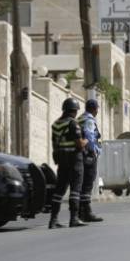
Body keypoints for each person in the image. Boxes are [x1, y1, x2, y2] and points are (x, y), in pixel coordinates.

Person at [49, 98, 88, 229]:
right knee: (76, 189)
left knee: (59, 189)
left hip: (62, 159)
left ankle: (53, 220)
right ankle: (74, 218)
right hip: (74, 159)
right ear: (74, 111)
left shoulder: (55, 124)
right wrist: (86, 141)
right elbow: (79, 144)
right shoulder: (73, 124)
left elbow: (55, 144)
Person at [78, 99, 103, 222]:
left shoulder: (80, 118)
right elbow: (90, 136)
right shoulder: (89, 120)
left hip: (81, 154)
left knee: (83, 183)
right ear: (94, 108)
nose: (97, 111)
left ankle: (80, 212)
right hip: (88, 155)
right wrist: (93, 151)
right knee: (88, 183)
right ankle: (86, 212)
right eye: (97, 108)